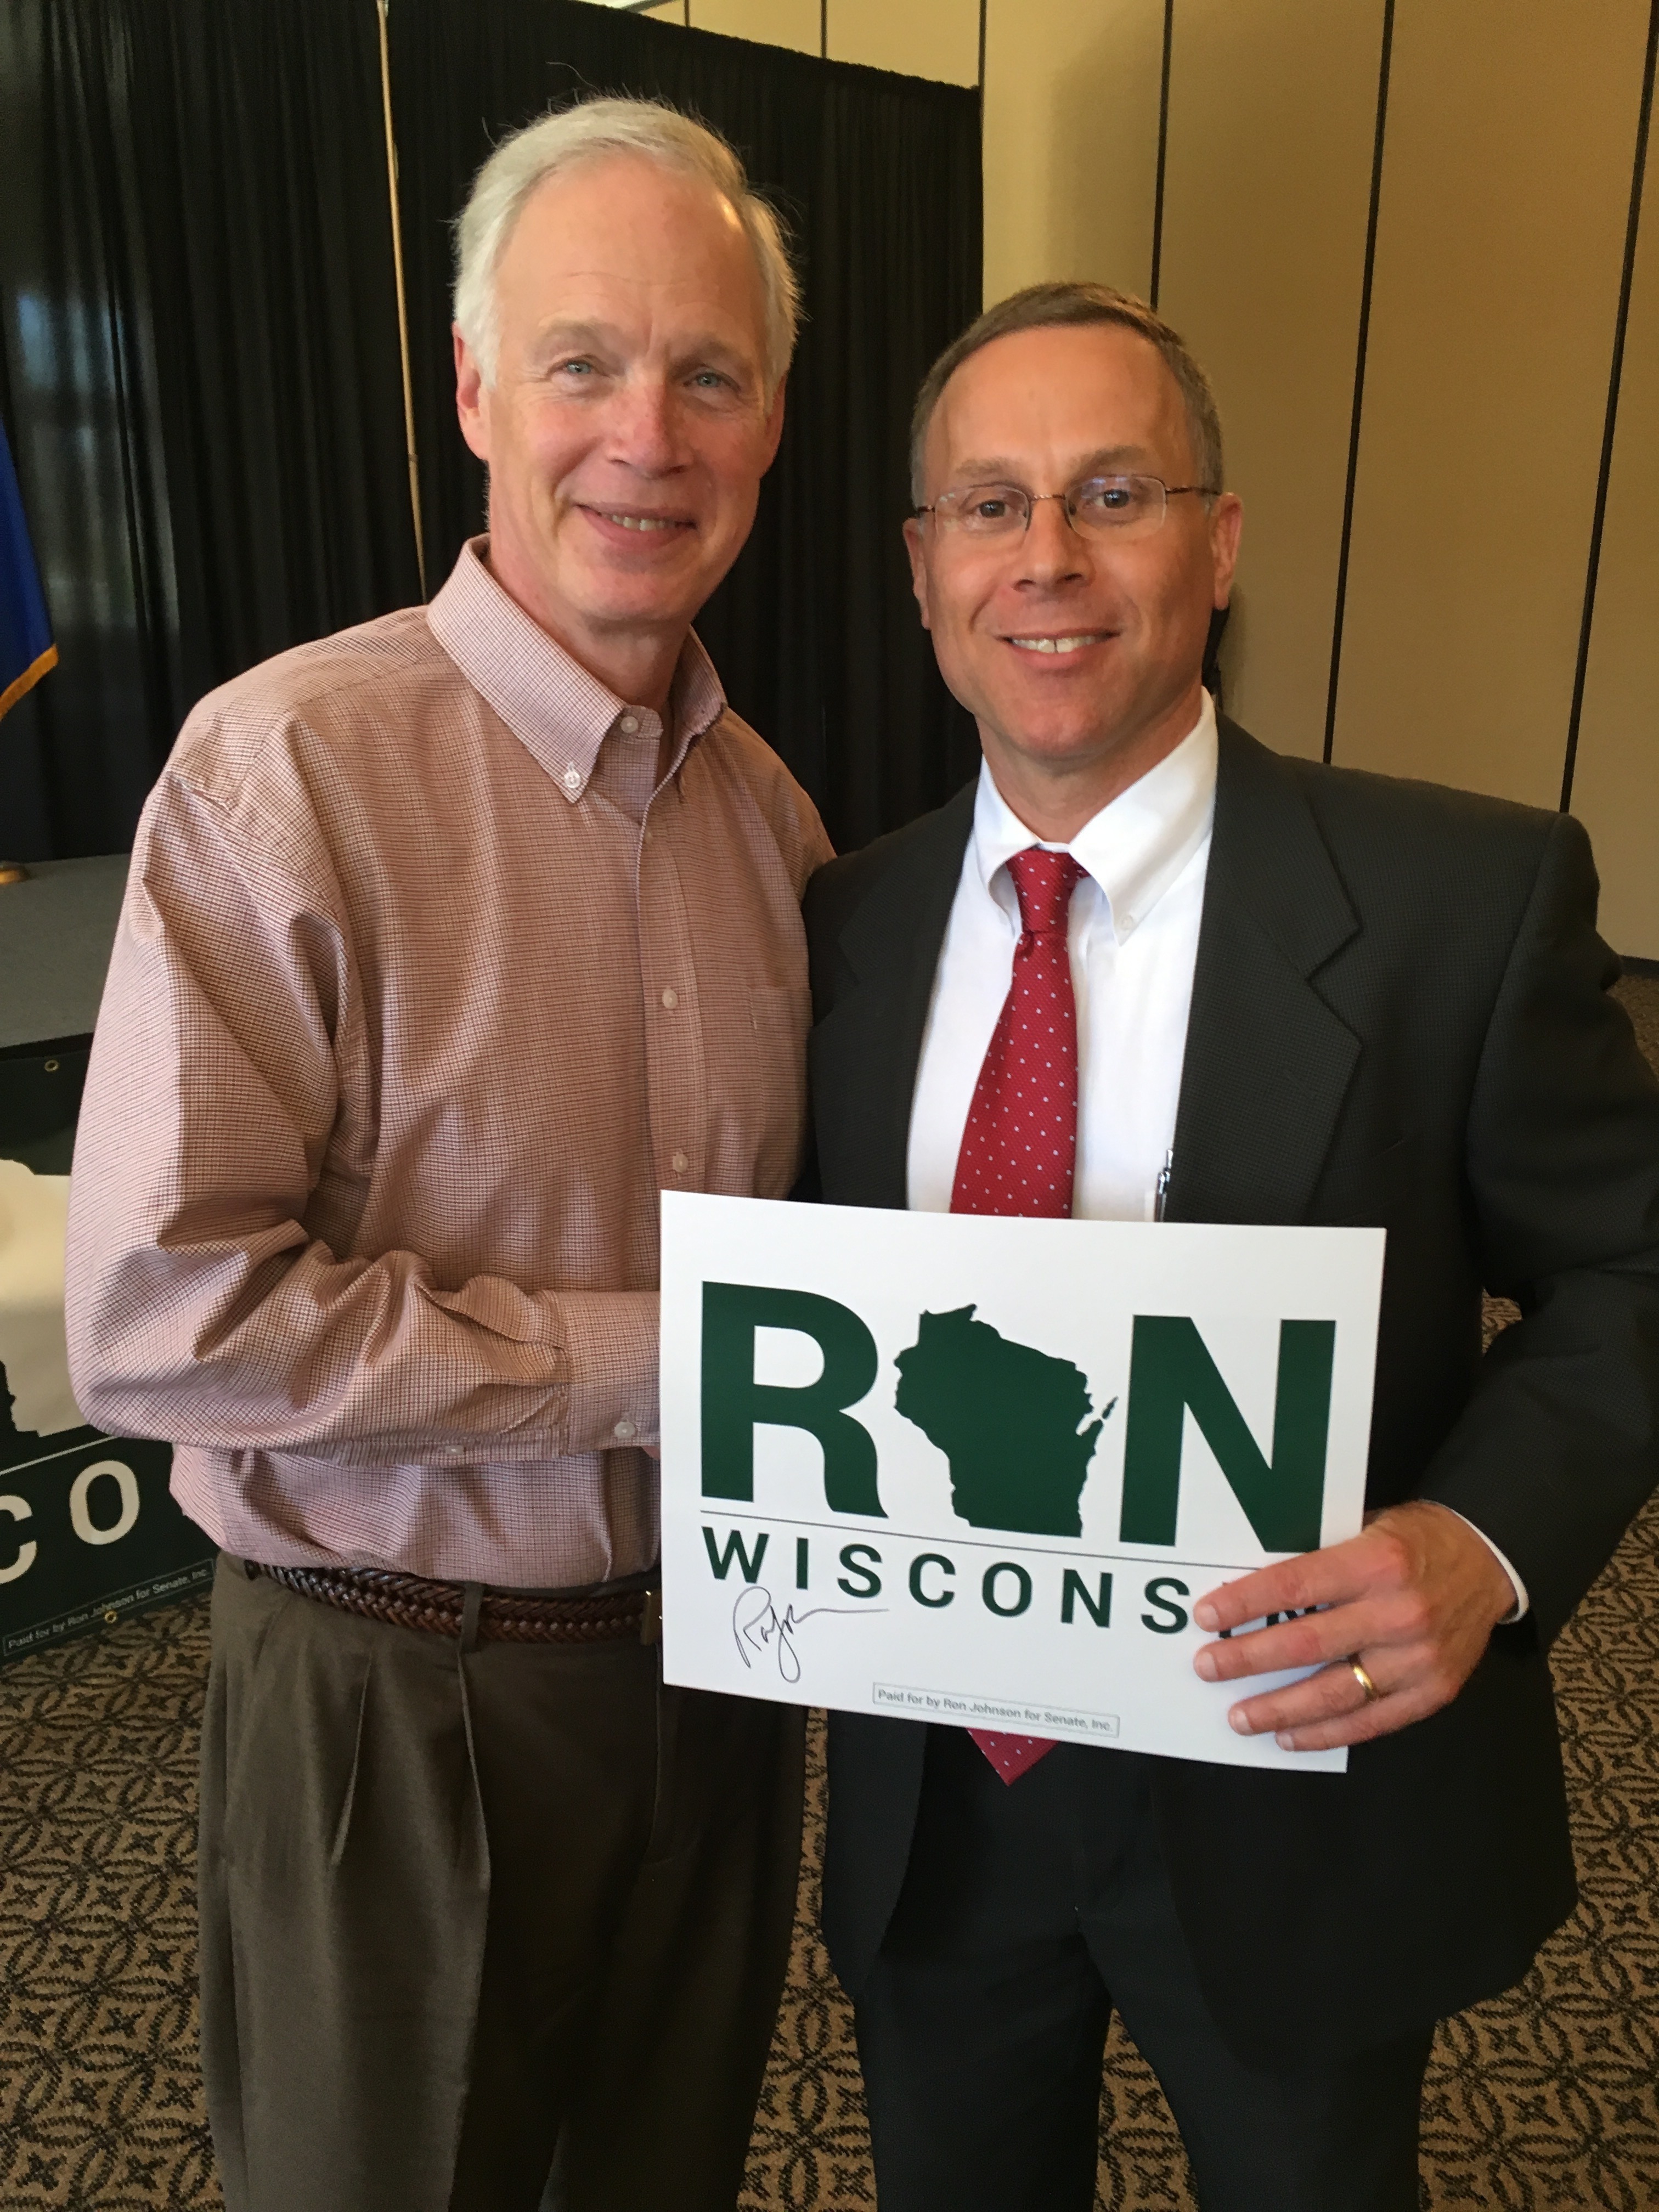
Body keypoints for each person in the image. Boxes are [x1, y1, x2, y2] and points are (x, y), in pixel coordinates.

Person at [800, 281, 1659, 2211]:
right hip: (940, 1791)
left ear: (1221, 539)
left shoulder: (1466, 900)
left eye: (1115, 491)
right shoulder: (835, 929)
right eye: (992, 504)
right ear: (924, 566)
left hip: (1293, 1789)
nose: (1051, 558)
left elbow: (1641, 1263)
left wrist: (1487, 1542)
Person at [65, 97, 831, 2212]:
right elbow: (157, 1317)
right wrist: (642, 1359)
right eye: (583, 361)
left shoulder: (771, 818)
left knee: (663, 2176)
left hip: (722, 1664)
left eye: (709, 374)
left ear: (770, 428)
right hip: (397, 1687)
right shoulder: (286, 762)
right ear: (476, 386)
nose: (645, 435)